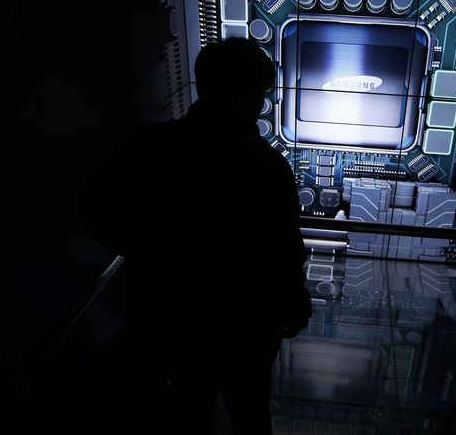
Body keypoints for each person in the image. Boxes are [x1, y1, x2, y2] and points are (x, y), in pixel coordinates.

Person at [78, 37, 311, 434]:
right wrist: (292, 302)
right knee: (250, 413)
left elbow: (95, 207)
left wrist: (147, 254)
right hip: (245, 325)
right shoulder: (266, 168)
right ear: (252, 95)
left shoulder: (146, 147)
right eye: (259, 90)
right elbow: (284, 251)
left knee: (188, 410)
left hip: (169, 318)